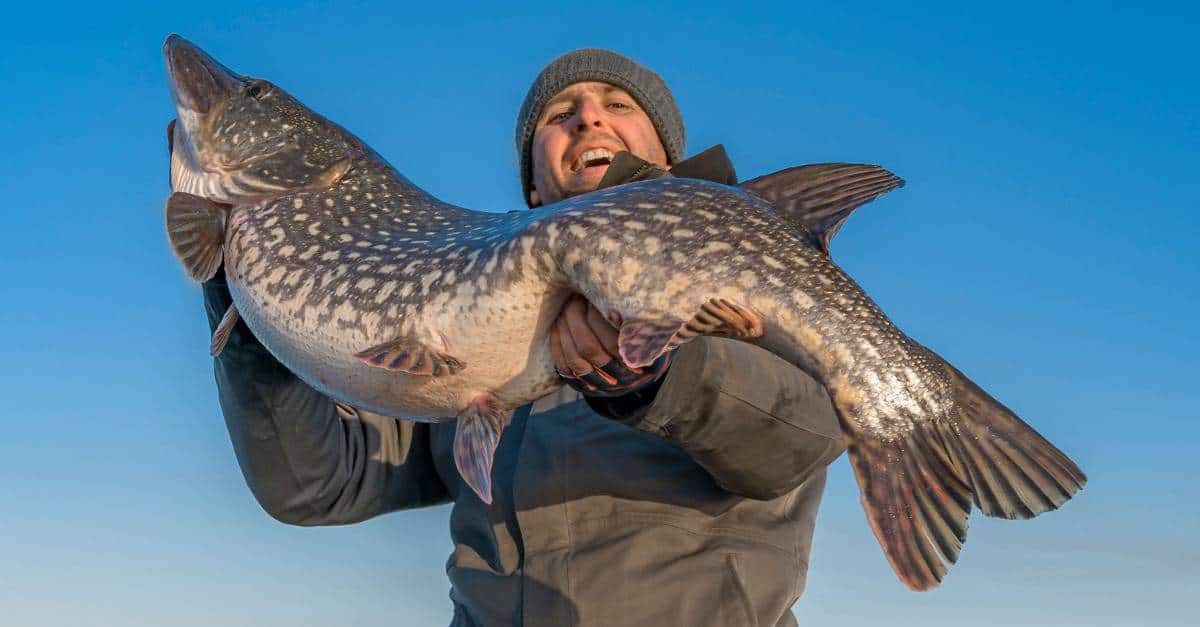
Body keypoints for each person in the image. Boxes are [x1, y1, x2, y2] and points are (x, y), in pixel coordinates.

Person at [192, 49, 844, 627]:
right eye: (559, 113)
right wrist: (252, 299)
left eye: (617, 104)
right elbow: (315, 482)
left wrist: (660, 375)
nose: (588, 117)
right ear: (533, 182)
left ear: (667, 157)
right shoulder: (463, 350)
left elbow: (804, 435)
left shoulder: (742, 291)